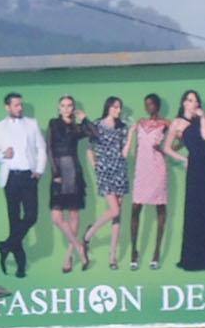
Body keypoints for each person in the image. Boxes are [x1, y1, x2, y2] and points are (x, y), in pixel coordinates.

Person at [0, 91, 44, 278]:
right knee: (14, 221)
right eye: (16, 105)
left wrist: (39, 170)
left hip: (29, 176)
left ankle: (6, 245)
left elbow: (41, 148)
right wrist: (4, 154)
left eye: (21, 105)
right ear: (7, 107)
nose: (20, 108)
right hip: (10, 178)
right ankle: (20, 267)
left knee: (31, 216)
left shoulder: (32, 124)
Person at [172, 90, 205, 273]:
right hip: (193, 163)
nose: (191, 102)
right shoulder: (177, 123)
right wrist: (183, 159)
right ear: (183, 103)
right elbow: (167, 147)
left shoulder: (202, 119)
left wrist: (203, 118)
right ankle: (193, 258)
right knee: (194, 208)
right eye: (188, 99)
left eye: (195, 100)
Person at [46, 95, 91, 272]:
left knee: (73, 215)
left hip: (74, 170)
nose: (66, 108)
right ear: (59, 108)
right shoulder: (53, 123)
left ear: (73, 108)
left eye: (69, 105)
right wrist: (55, 172)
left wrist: (84, 118)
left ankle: (68, 257)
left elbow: (94, 133)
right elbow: (49, 148)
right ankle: (80, 247)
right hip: (59, 171)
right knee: (56, 218)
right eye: (63, 106)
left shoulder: (77, 128)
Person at [88, 96, 134, 269]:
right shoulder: (97, 124)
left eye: (119, 108)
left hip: (120, 170)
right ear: (108, 107)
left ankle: (112, 256)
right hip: (105, 171)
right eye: (115, 107)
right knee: (113, 210)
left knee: (117, 214)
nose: (118, 110)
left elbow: (124, 153)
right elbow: (89, 150)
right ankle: (90, 233)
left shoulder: (122, 127)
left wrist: (130, 134)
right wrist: (96, 167)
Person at [129, 93, 174, 270]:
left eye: (151, 104)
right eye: (146, 104)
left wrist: (165, 148)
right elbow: (137, 145)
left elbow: (183, 139)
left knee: (160, 208)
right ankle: (134, 251)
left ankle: (156, 252)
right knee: (135, 209)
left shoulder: (166, 123)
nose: (148, 107)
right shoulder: (140, 122)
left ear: (157, 105)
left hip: (157, 168)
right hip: (142, 169)